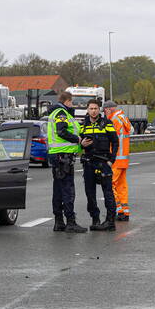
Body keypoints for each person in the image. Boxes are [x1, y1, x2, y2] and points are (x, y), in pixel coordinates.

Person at [47, 91, 88, 233]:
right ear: (67, 101)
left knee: (58, 189)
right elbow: (62, 131)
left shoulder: (56, 113)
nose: (73, 105)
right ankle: (70, 222)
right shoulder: (61, 113)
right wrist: (78, 140)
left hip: (58, 156)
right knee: (67, 189)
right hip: (63, 156)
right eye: (72, 102)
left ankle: (59, 222)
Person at [79, 99, 119, 231]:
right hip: (89, 162)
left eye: (95, 108)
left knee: (108, 192)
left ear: (99, 109)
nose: (93, 111)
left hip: (103, 162)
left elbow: (115, 142)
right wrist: (81, 145)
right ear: (87, 110)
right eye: (91, 108)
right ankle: (95, 219)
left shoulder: (107, 123)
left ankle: (110, 221)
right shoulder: (83, 125)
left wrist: (111, 160)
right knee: (89, 193)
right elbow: (78, 143)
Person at [103, 100, 132, 221]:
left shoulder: (114, 120)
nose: (104, 114)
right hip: (123, 159)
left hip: (115, 159)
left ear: (109, 109)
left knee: (110, 184)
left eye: (105, 111)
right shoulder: (124, 118)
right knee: (121, 186)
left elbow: (109, 139)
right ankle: (124, 212)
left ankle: (118, 210)